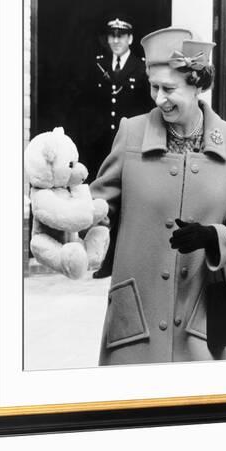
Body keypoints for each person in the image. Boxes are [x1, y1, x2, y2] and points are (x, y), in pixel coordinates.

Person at [90, 26, 226, 365]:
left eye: (169, 88)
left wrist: (214, 236)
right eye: (153, 87)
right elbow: (98, 206)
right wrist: (75, 218)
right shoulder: (131, 133)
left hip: (201, 319)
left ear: (197, 85)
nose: (158, 98)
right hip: (136, 317)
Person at [78, 17, 152, 279]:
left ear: (131, 39)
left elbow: (147, 109)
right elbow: (86, 106)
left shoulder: (142, 69)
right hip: (102, 146)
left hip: (130, 146)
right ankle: (103, 258)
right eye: (112, 35)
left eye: (122, 35)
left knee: (127, 202)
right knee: (102, 200)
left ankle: (119, 260)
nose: (117, 40)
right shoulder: (98, 65)